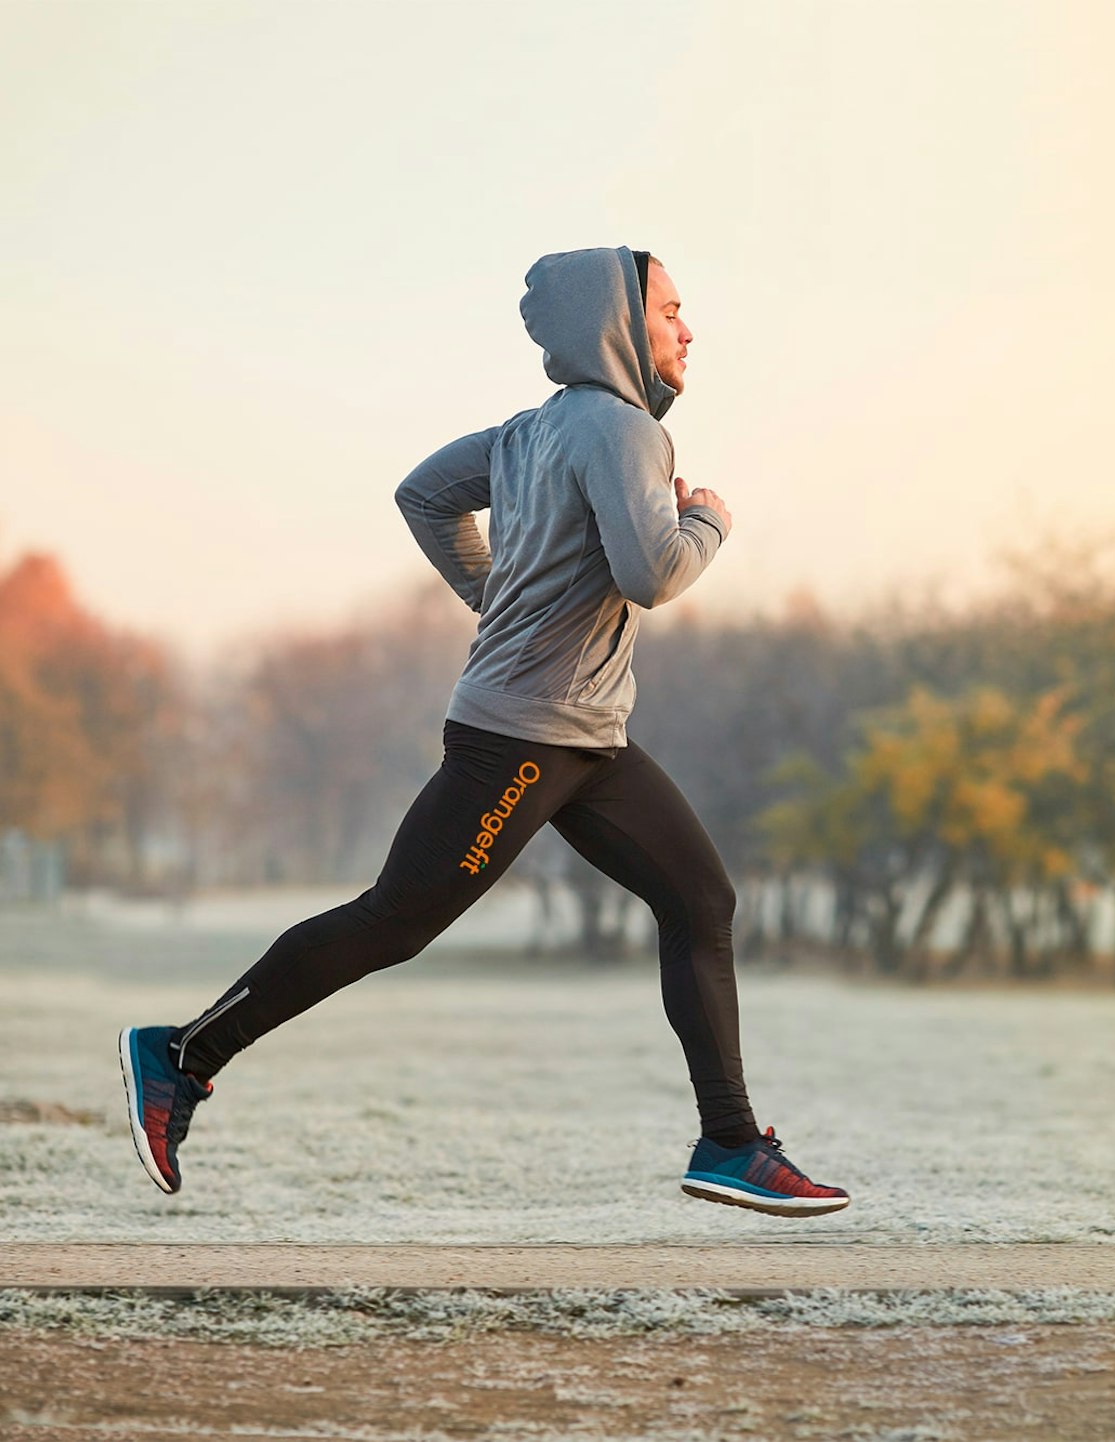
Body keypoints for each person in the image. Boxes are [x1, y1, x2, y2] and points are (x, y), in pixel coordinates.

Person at [118, 244, 849, 1218]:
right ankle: (179, 1055)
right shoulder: (626, 434)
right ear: (620, 324)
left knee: (700, 899)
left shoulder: (533, 431)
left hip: (589, 739)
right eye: (672, 308)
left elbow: (423, 493)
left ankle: (728, 1141)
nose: (688, 327)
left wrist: (493, 593)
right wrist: (709, 519)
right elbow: (654, 573)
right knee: (395, 918)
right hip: (525, 739)